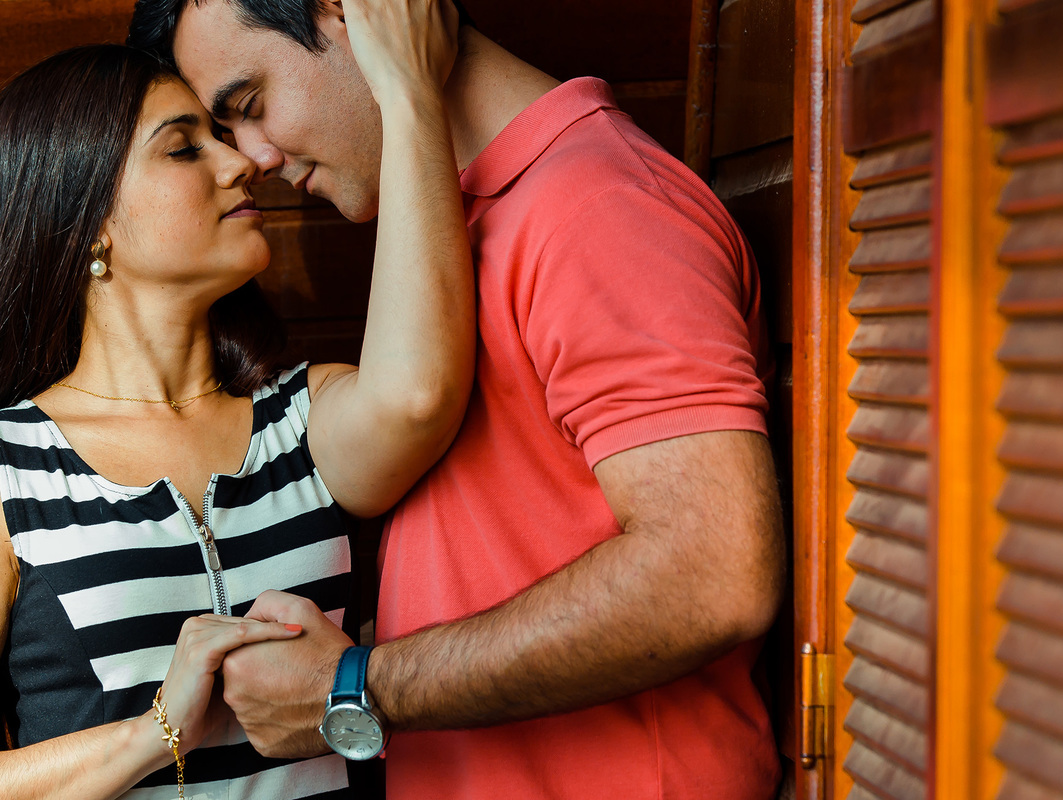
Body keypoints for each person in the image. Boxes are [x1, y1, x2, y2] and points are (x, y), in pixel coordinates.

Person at [129, 1, 787, 798]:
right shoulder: (459, 224)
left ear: (353, 13)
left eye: (251, 103)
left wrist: (356, 684)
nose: (254, 156)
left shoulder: (597, 205)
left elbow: (711, 573)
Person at [0, 2, 471, 796]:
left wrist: (410, 96)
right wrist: (158, 733)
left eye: (226, 135)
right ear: (90, 224)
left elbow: (419, 398)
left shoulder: (302, 419)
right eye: (185, 148)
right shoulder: (12, 470)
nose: (242, 163)